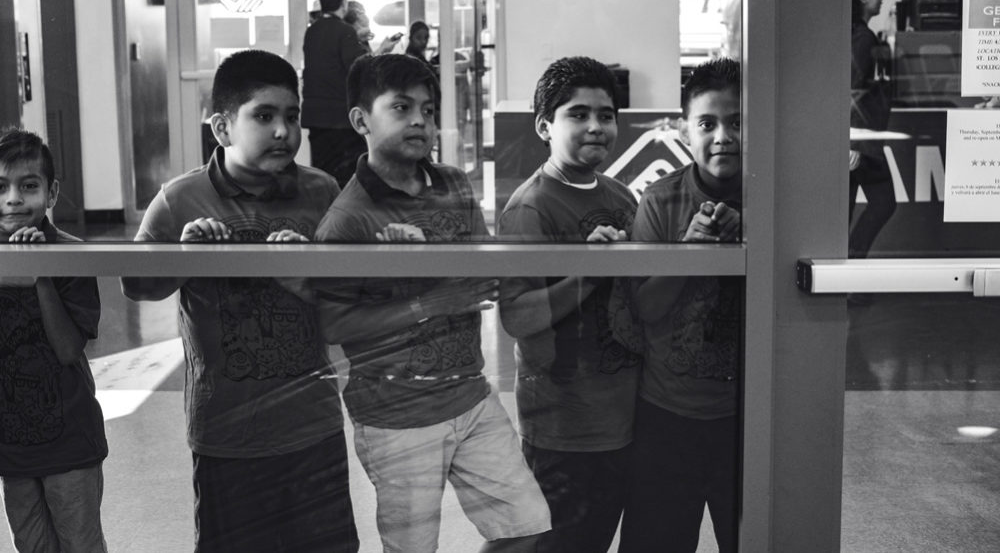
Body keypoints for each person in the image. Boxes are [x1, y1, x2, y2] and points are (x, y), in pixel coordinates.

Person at [311, 53, 550, 553]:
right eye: (401, 107)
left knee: (527, 529)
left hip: (472, 397)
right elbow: (332, 323)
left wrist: (431, 259)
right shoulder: (348, 219)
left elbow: (482, 265)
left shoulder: (454, 183)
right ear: (361, 120)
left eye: (428, 108)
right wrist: (428, 299)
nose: (419, 120)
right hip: (395, 418)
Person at [121, 50, 357, 553]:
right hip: (227, 432)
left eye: (291, 117)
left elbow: (348, 298)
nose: (283, 132)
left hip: (311, 426)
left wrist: (311, 270)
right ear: (222, 128)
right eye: (264, 116)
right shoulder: (179, 198)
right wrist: (184, 256)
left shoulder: (320, 191)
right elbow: (138, 287)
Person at [496, 56, 642, 553]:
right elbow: (518, 316)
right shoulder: (530, 207)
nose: (596, 126)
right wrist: (587, 275)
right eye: (578, 114)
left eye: (606, 115)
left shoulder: (623, 197)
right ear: (544, 126)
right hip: (564, 427)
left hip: (624, 415)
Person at [619, 58, 742, 553]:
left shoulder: (777, 201)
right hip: (667, 417)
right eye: (707, 124)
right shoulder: (660, 202)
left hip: (749, 417)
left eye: (737, 122)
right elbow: (645, 308)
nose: (723, 137)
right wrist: (689, 252)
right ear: (685, 132)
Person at [0, 129, 108, 552]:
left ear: (51, 193)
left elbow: (67, 349)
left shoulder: (69, 254)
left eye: (28, 186)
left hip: (70, 443)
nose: (13, 199)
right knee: (32, 545)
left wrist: (40, 270)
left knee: (80, 543)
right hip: (12, 448)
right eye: (1, 187)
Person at [302, 0, 369, 187]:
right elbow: (359, 69)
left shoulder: (312, 31)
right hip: (340, 118)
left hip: (316, 118)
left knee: (323, 179)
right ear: (344, 2)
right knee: (347, 180)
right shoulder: (345, 32)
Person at [849, 0, 896, 259]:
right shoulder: (862, 38)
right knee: (883, 203)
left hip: (861, 142)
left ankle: (848, 278)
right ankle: (849, 275)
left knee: (848, 211)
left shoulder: (860, 35)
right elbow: (851, 89)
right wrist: (851, 143)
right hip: (859, 145)